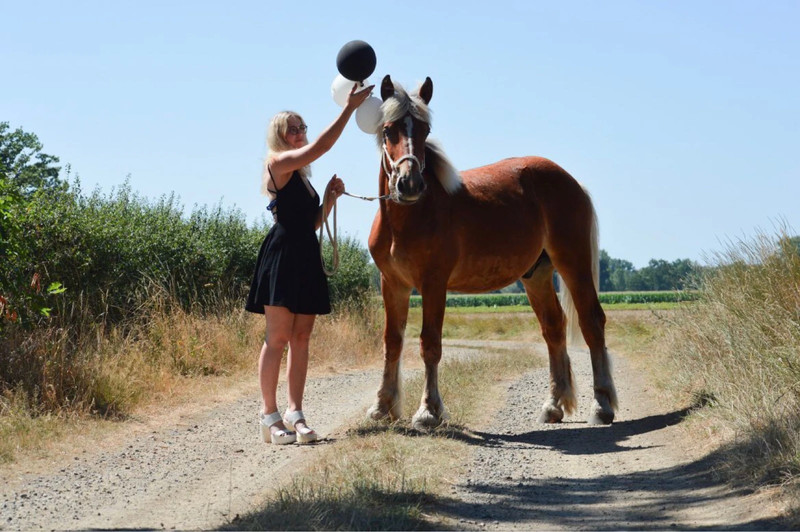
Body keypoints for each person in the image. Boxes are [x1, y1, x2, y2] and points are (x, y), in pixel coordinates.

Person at [246, 83, 373, 445]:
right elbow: (322, 146)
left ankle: (294, 412)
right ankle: (268, 416)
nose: (301, 133)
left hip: (304, 251)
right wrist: (349, 109)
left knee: (301, 339)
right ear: (280, 137)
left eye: (303, 127)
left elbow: (312, 223)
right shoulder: (278, 163)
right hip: (282, 255)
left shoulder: (301, 175)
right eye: (294, 129)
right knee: (277, 339)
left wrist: (329, 201)